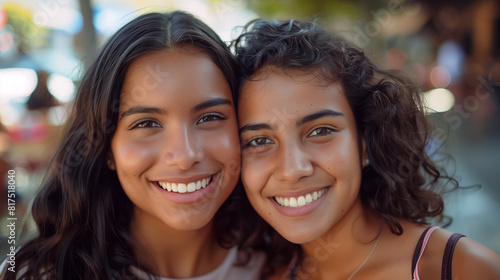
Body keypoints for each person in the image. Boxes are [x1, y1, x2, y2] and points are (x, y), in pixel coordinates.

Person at [1, 11, 265, 280]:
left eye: (210, 117)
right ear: (106, 148)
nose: (185, 156)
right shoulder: (38, 274)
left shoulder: (286, 265)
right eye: (146, 124)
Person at [232, 19, 500, 280]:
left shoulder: (459, 269)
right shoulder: (266, 274)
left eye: (321, 131)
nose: (292, 170)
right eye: (259, 141)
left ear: (365, 141)